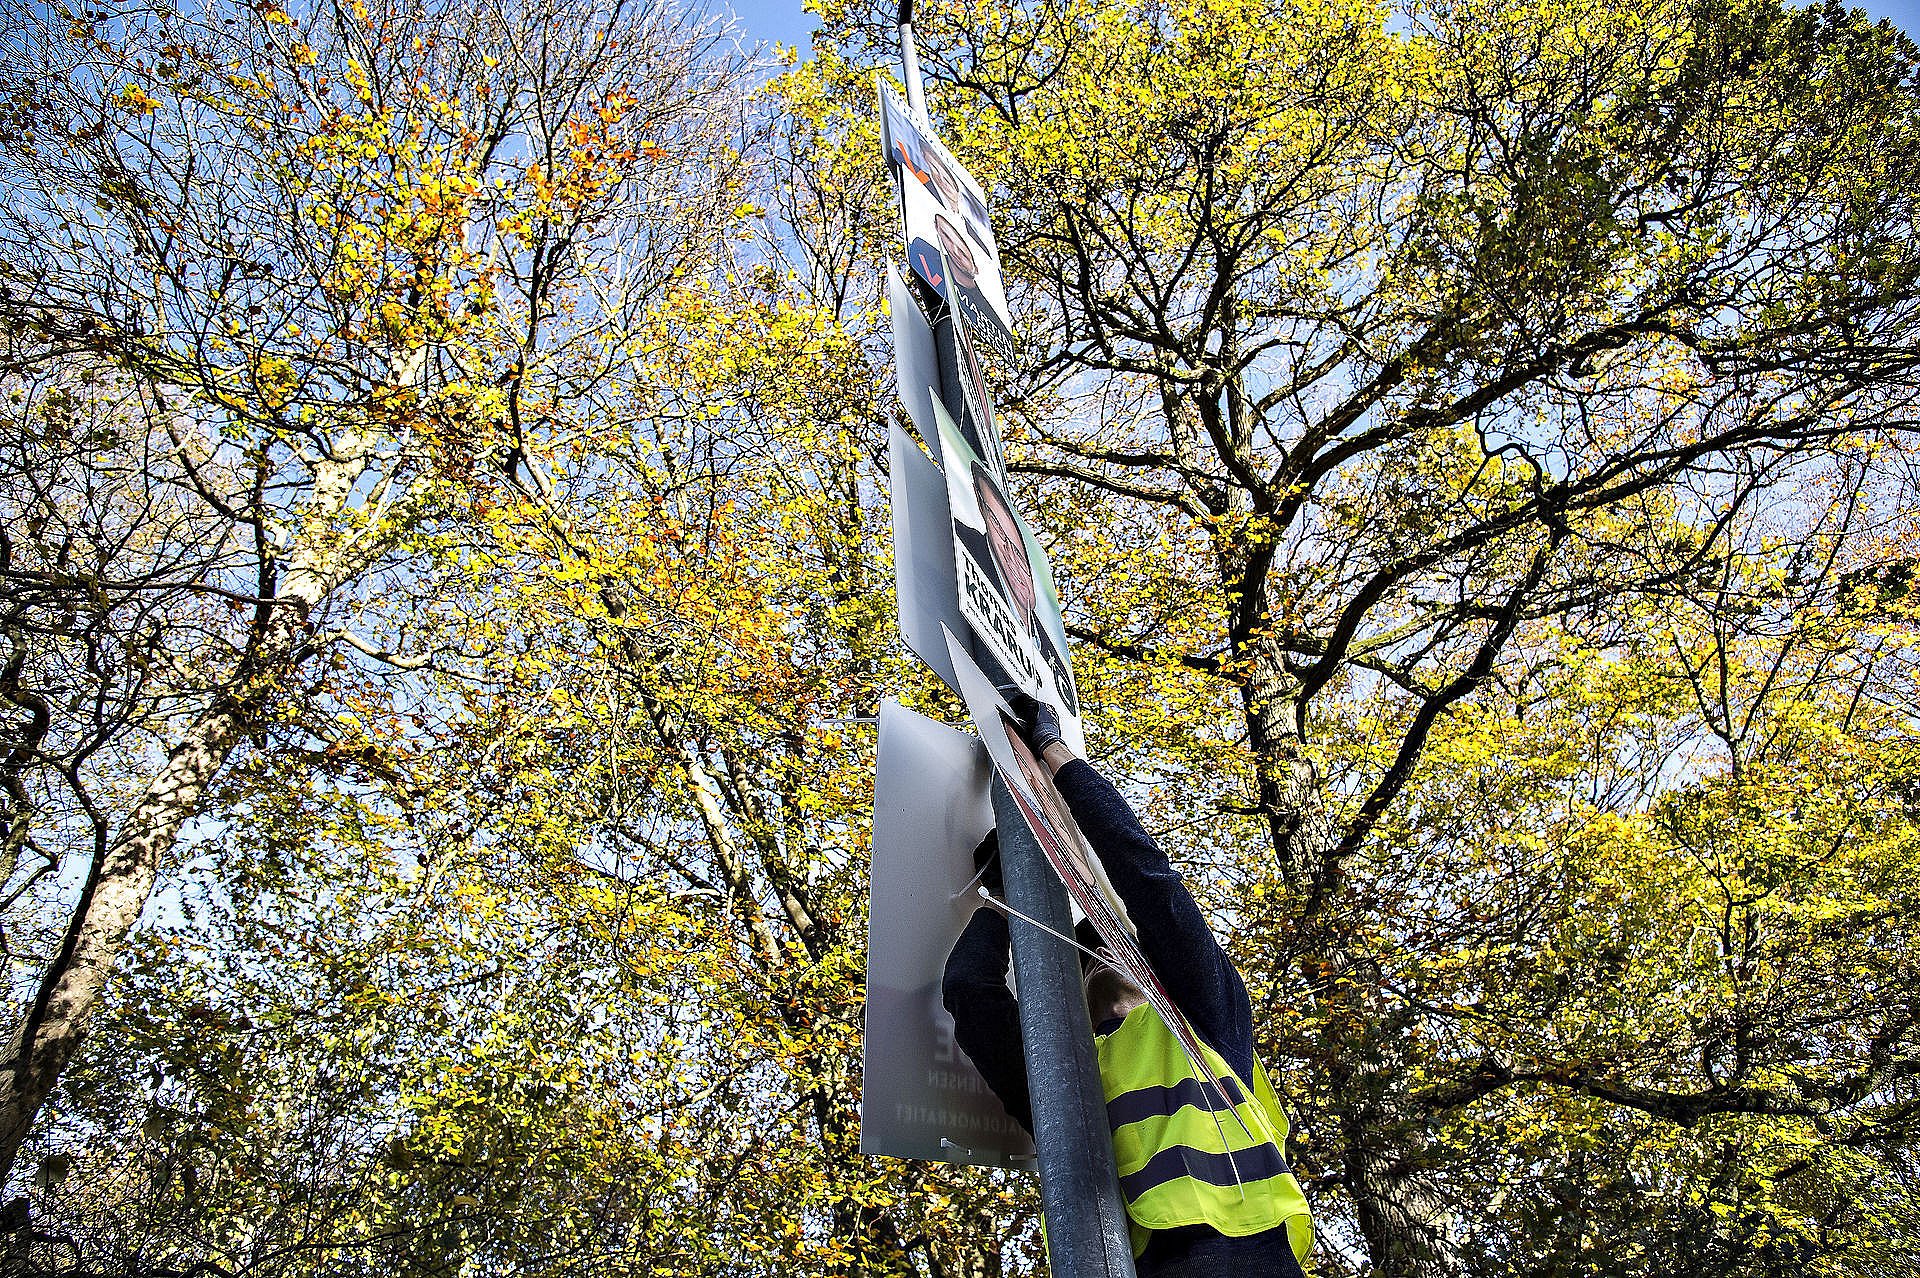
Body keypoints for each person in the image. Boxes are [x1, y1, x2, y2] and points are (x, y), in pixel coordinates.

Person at [942, 698, 1313, 1277]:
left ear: (1148, 963)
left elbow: (1147, 877)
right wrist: (1004, 885)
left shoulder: (1204, 1015)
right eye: (1082, 959)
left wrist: (1057, 757)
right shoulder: (1064, 1073)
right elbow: (969, 989)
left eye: (1110, 947)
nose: (1097, 960)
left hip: (1254, 1258)